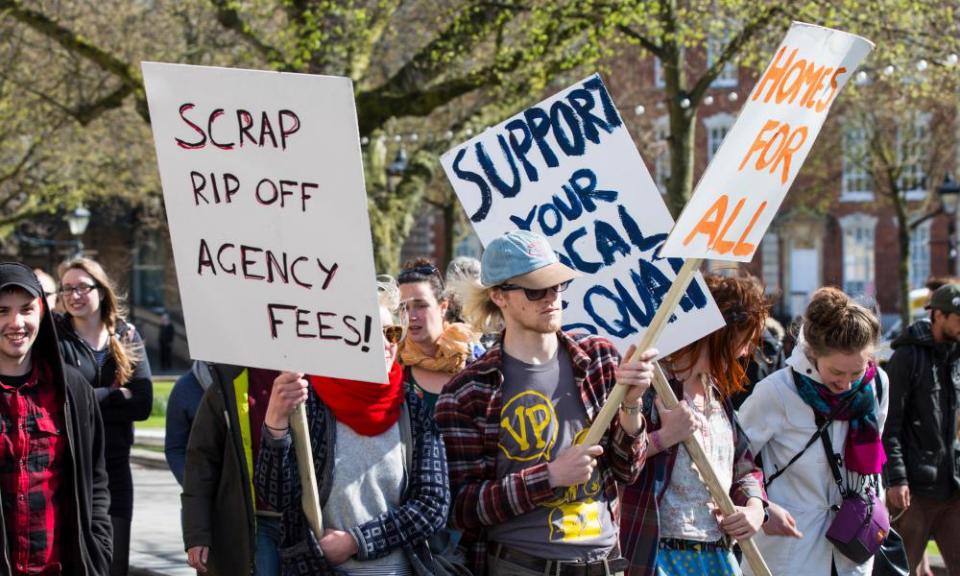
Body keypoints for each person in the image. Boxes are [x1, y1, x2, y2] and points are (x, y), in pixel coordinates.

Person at [436, 230, 656, 575]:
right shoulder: (467, 391)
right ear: (499, 296)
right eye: (536, 289)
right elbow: (460, 505)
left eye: (556, 285)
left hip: (606, 564)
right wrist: (550, 476)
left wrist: (631, 406)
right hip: (521, 566)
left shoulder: (599, 359)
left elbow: (627, 470)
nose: (551, 298)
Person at [255, 276, 450, 575]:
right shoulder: (311, 402)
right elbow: (278, 494)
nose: (386, 343)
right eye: (373, 332)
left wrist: (358, 541)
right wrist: (276, 424)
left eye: (392, 332)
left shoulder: (411, 407)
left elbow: (433, 504)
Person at [620, 273, 768, 576]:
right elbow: (615, 461)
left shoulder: (717, 394)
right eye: (744, 340)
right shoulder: (650, 384)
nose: (746, 352)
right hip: (656, 555)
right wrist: (663, 437)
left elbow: (744, 465)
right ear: (719, 333)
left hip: (716, 554)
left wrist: (754, 508)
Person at [739, 287, 888, 576]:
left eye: (856, 373)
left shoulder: (877, 384)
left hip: (853, 548)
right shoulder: (777, 391)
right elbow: (735, 461)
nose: (846, 383)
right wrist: (762, 509)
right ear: (813, 353)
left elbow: (873, 461)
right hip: (791, 550)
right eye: (836, 372)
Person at [0, 262, 112, 574]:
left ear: (42, 313)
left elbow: (97, 479)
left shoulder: (72, 390)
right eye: (2, 311)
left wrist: (98, 549)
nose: (16, 322)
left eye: (26, 309)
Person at [54, 257, 153, 576]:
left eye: (82, 287)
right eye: (67, 288)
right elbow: (62, 402)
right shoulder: (54, 339)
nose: (74, 295)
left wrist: (90, 400)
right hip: (70, 467)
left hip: (115, 466)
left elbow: (143, 403)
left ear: (101, 290)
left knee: (115, 564)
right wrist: (113, 394)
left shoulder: (126, 335)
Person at [882, 283, 960, 573]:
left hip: (952, 487)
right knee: (902, 569)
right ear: (938, 315)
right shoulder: (907, 357)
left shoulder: (956, 358)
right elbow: (890, 424)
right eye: (958, 317)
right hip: (915, 492)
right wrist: (897, 479)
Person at [180, 362, 281, 575]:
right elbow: (201, 462)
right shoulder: (228, 380)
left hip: (306, 526)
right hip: (254, 524)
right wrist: (197, 533)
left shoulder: (315, 378)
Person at [397, 257, 483, 412]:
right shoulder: (394, 364)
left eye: (421, 305)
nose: (411, 316)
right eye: (404, 307)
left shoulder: (476, 358)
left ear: (443, 306)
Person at [164, 360, 214, 486]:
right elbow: (175, 448)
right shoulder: (184, 388)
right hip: (201, 487)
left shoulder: (248, 380)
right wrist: (191, 486)